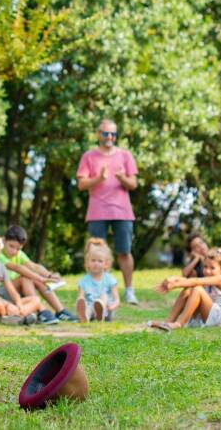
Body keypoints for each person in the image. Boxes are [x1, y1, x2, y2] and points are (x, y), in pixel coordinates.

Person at [76, 118, 140, 305]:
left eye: (113, 133)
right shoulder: (89, 156)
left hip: (122, 211)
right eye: (106, 133)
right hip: (97, 211)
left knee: (124, 252)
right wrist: (99, 178)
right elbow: (81, 184)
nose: (110, 137)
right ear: (98, 134)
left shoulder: (125, 155)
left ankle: (129, 291)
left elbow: (133, 184)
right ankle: (99, 293)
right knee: (96, 253)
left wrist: (121, 177)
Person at [0, 226, 77, 323]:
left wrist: (49, 275)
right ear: (3, 240)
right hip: (1, 292)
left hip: (15, 292)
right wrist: (40, 278)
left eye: (18, 248)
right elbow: (17, 268)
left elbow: (34, 266)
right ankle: (40, 311)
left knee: (34, 279)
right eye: (11, 246)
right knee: (25, 278)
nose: (14, 251)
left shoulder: (19, 254)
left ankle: (60, 311)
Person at [152, 248, 221, 330]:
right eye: (205, 267)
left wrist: (175, 284)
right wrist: (173, 279)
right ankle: (168, 322)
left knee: (197, 289)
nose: (207, 271)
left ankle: (179, 324)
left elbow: (196, 281)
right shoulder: (209, 279)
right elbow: (188, 281)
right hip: (211, 315)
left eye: (212, 268)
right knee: (188, 290)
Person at [76, 239, 121, 322]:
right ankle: (86, 316)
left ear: (106, 264)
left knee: (104, 296)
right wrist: (81, 303)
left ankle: (100, 311)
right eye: (93, 260)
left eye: (100, 261)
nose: (96, 263)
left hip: (107, 310)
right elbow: (80, 297)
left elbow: (117, 300)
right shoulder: (83, 281)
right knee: (88, 306)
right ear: (87, 263)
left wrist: (112, 307)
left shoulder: (110, 279)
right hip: (91, 307)